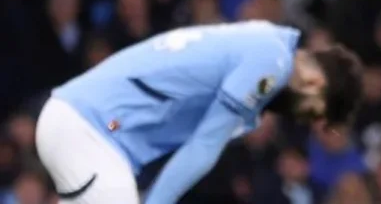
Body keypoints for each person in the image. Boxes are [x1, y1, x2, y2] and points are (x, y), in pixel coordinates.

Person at [33, 20, 364, 204]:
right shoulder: (273, 63)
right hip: (91, 130)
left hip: (87, 131)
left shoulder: (265, 43)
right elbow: (204, 146)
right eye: (313, 111)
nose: (304, 119)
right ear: (313, 82)